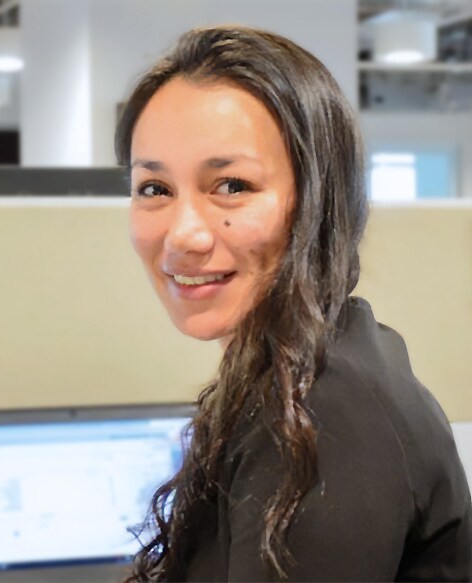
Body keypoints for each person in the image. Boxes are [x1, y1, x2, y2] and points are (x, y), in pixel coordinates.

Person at [115, 26, 472, 582]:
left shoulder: (322, 419)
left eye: (231, 185)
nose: (184, 234)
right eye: (155, 189)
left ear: (318, 199)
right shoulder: (322, 360)